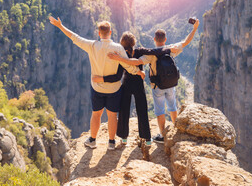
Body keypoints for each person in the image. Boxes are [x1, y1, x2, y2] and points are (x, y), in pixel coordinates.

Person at [49, 16, 144, 150]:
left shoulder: (92, 45)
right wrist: (138, 72)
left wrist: (60, 26)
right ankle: (111, 142)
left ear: (99, 33)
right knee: (112, 115)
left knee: (96, 114)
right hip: (114, 90)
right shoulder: (118, 48)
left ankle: (93, 140)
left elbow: (74, 37)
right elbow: (127, 65)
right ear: (110, 32)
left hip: (97, 88)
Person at [107, 19, 199, 143]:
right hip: (171, 84)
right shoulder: (171, 49)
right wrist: (194, 28)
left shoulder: (149, 55)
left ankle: (161, 135)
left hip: (157, 86)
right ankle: (174, 131)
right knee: (172, 107)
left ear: (154, 40)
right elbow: (186, 41)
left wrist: (119, 59)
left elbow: (136, 62)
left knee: (159, 110)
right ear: (165, 39)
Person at [92, 32, 178, 147]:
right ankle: (147, 138)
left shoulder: (121, 54)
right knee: (142, 110)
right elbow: (153, 51)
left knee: (124, 110)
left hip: (126, 83)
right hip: (138, 84)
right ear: (134, 42)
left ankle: (123, 138)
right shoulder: (139, 51)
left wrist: (102, 79)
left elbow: (118, 75)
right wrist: (167, 49)